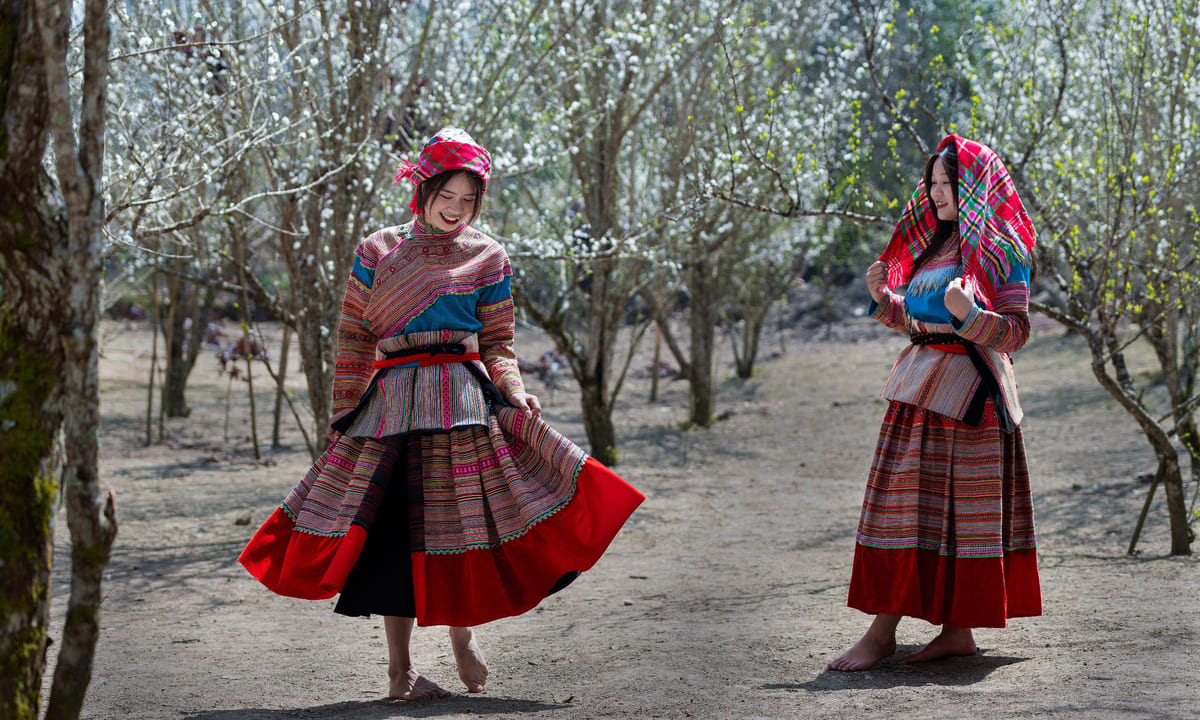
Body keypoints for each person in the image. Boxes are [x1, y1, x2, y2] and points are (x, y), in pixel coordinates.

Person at [239, 128, 645, 699]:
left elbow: (500, 340)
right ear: (422, 189)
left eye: (468, 200)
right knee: (391, 536)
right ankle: (400, 672)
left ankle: (463, 639)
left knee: (463, 523)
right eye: (446, 196)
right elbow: (354, 337)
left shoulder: (488, 255)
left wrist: (515, 389)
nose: (456, 210)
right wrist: (342, 415)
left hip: (462, 402)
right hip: (389, 409)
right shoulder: (377, 251)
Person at [828, 135, 1042, 672]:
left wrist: (971, 317)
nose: (937, 193)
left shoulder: (1003, 250)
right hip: (917, 394)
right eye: (933, 184)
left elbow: (1015, 333)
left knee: (948, 516)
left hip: (973, 405)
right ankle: (943, 634)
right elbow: (919, 321)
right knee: (904, 511)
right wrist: (886, 301)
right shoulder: (934, 246)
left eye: (948, 184)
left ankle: (904, 634)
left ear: (974, 186)